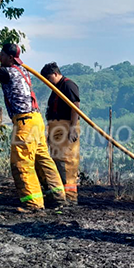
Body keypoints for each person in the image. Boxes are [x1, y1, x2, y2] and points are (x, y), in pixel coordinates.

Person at [0, 43, 66, 211]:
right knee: (43, 160)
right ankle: (57, 197)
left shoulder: (7, 72)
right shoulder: (21, 70)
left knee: (22, 163)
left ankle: (33, 204)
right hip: (36, 121)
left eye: (1, 55)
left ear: (9, 57)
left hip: (25, 123)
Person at [42, 62, 81, 203]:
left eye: (48, 78)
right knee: (56, 160)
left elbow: (75, 107)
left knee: (67, 162)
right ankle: (59, 195)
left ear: (56, 74)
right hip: (55, 128)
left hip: (66, 127)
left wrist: (72, 128)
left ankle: (70, 197)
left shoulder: (68, 85)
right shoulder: (56, 88)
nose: (47, 81)